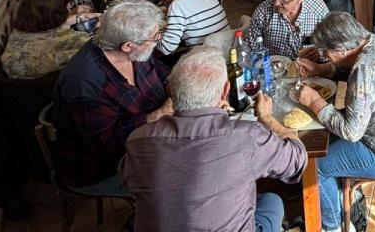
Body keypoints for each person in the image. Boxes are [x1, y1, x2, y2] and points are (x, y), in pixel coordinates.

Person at [121, 48, 305, 232]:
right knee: (272, 202)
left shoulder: (137, 141)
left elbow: (130, 177)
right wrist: (267, 118)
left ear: (170, 91)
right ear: (225, 91)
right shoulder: (247, 137)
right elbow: (297, 160)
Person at [292, 13, 375, 232]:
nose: (324, 55)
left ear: (341, 49)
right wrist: (323, 69)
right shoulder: (368, 40)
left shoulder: (365, 70)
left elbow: (351, 132)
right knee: (322, 139)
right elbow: (350, 67)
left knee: (314, 167)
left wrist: (315, 102)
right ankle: (340, 194)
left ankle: (333, 226)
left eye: (326, 52)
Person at [51, 0, 173, 189]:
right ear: (127, 46)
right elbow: (107, 145)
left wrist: (175, 80)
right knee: (183, 174)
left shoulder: (135, 52)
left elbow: (156, 68)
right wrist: (159, 115)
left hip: (153, 134)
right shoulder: (86, 84)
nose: (157, 41)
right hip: (104, 164)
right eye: (155, 37)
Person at [0, 0, 93, 80]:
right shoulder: (74, 41)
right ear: (55, 15)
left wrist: (76, 18)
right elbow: (97, 49)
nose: (70, 10)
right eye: (68, 7)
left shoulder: (20, 32)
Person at [246, 0, 330, 59]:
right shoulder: (263, 10)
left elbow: (333, 46)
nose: (276, 3)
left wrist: (321, 54)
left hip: (311, 68)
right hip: (274, 67)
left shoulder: (318, 10)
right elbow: (251, 46)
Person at [150, 0, 229, 56]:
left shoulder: (177, 5)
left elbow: (167, 48)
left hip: (206, 58)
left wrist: (153, 36)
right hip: (227, 50)